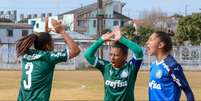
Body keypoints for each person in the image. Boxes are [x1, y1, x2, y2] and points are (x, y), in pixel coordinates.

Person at [16, 18, 80, 101]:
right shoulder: (49, 57)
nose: (53, 44)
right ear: (47, 45)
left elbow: (42, 43)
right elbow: (76, 51)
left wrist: (46, 32)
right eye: (52, 42)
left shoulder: (25, 54)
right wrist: (62, 31)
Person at [84, 27, 143, 101]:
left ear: (125, 56)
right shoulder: (106, 67)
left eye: (116, 55)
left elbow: (139, 52)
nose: (112, 57)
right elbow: (87, 55)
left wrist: (121, 39)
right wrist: (101, 40)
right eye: (111, 54)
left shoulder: (131, 68)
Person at [146, 31, 194, 101]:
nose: (147, 42)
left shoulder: (172, 66)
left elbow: (187, 91)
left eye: (150, 40)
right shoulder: (153, 65)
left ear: (160, 45)